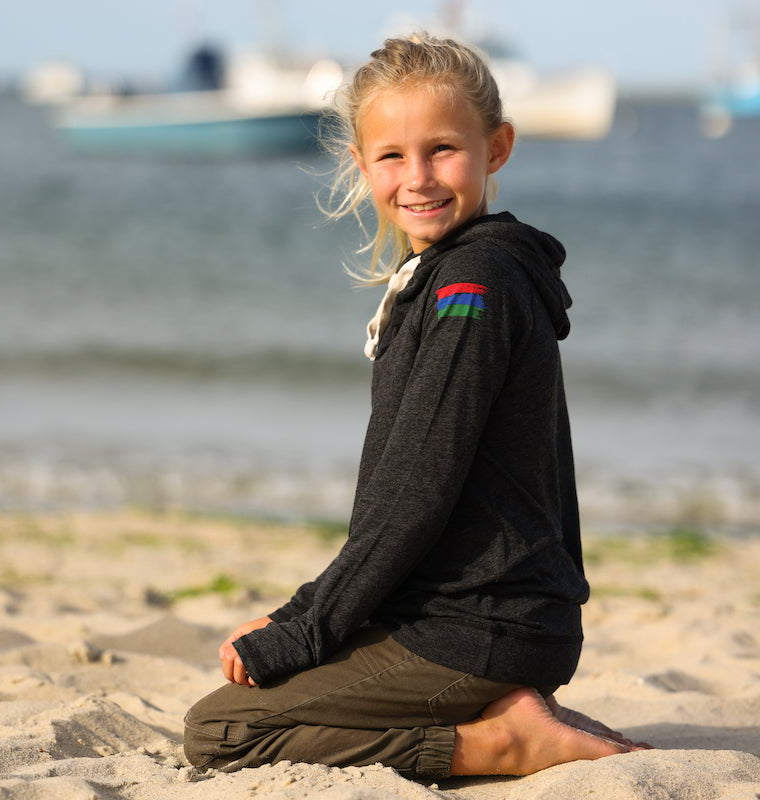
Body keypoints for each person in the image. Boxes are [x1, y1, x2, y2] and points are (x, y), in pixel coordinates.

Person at [184, 32, 647, 779]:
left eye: (443, 150)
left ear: (496, 148)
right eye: (392, 156)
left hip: (480, 627)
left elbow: (414, 495)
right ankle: (505, 707)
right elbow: (401, 510)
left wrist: (304, 636)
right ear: (362, 164)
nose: (418, 178)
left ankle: (498, 741)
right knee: (255, 689)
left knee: (221, 730)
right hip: (471, 620)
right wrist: (301, 612)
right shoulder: (441, 275)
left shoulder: (474, 287)